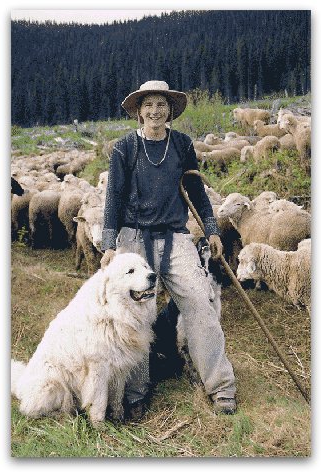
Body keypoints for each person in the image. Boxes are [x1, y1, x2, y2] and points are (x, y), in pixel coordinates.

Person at [101, 80, 236, 419]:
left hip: (175, 237)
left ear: (170, 110)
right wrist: (108, 245)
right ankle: (136, 392)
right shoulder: (124, 148)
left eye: (161, 104)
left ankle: (221, 388)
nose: (155, 111)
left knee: (199, 301)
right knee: (136, 314)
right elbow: (113, 199)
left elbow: (196, 190)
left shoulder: (182, 145)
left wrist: (211, 227)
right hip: (134, 238)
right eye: (148, 105)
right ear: (138, 111)